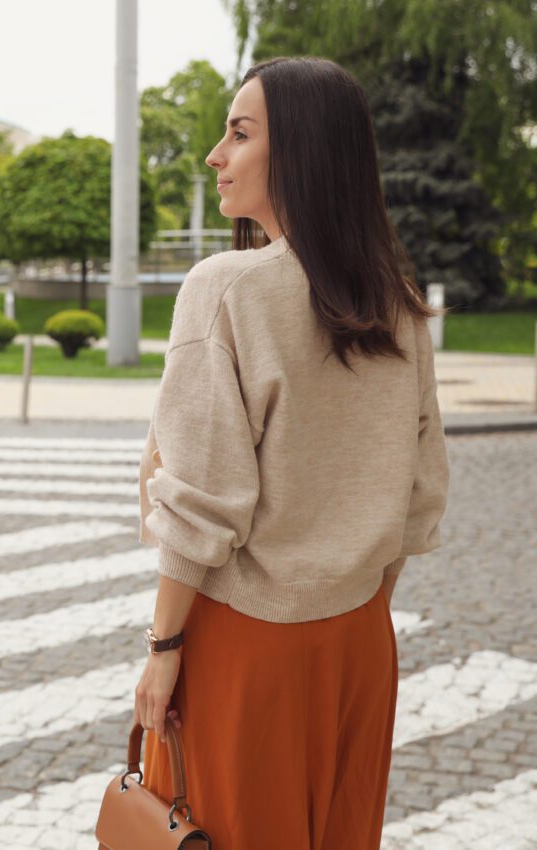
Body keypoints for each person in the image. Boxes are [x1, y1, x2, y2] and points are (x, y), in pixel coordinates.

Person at [134, 55, 451, 849]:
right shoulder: (400, 308)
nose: (216, 154)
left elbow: (202, 499)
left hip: (245, 645)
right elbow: (418, 496)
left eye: (238, 134)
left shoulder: (228, 288)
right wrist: (350, 588)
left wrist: (164, 652)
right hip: (359, 642)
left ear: (302, 153)